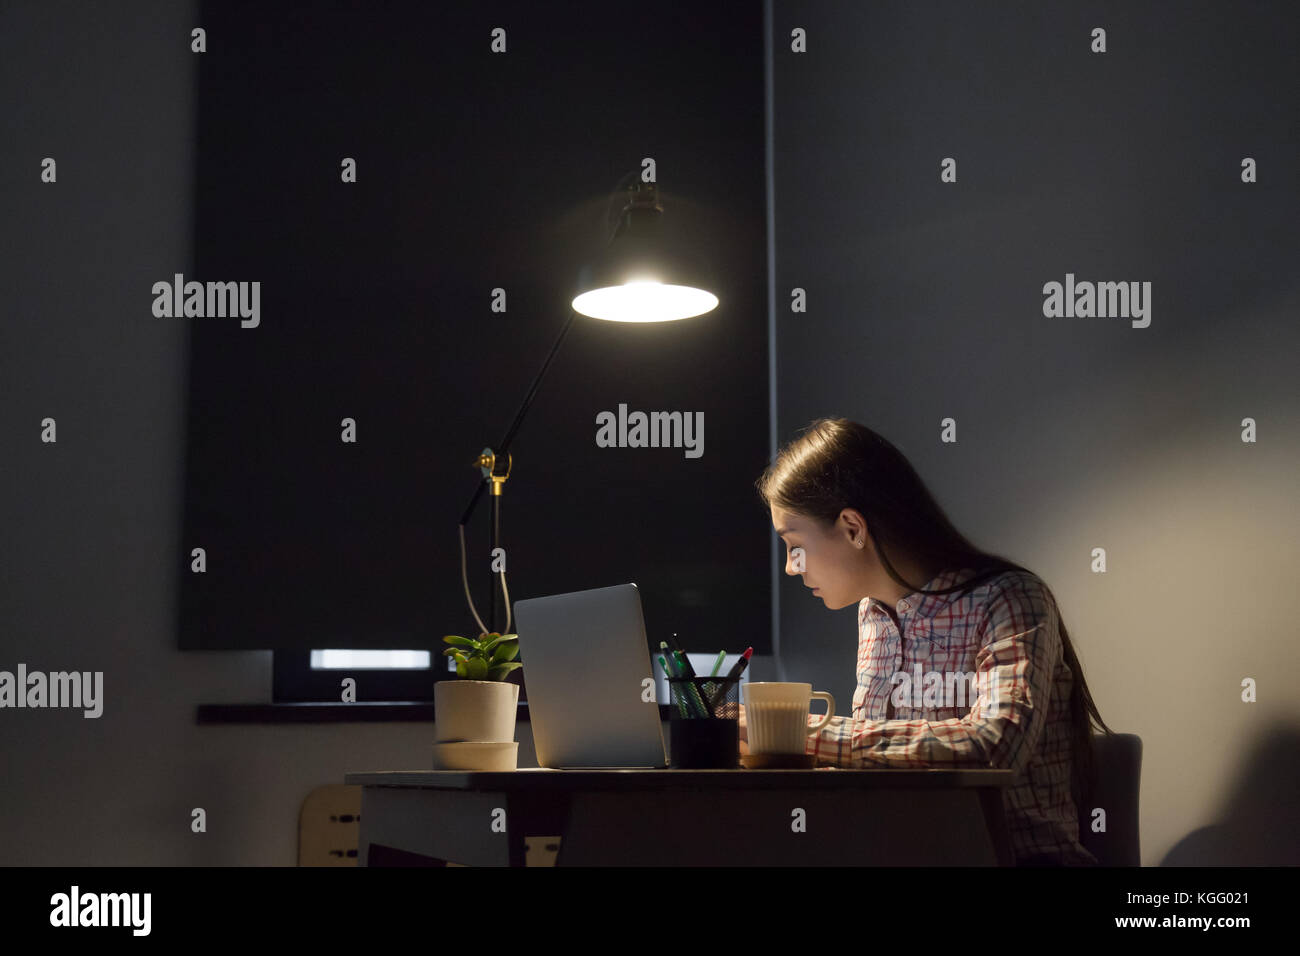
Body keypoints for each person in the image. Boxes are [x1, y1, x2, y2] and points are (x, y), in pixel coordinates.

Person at [740, 417, 1112, 866]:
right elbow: (883, 763)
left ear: (853, 528)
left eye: (793, 545)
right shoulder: (874, 613)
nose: (790, 567)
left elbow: (995, 748)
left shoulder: (1009, 598)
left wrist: (803, 734)